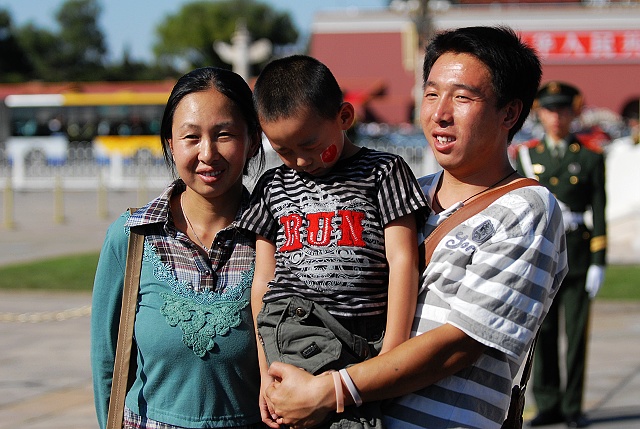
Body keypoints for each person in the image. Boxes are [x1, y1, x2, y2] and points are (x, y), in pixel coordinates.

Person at [259, 26, 568, 429]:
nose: (440, 113)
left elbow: (459, 343)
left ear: (509, 113)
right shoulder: (402, 193)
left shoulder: (526, 209)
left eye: (462, 97)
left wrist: (330, 391)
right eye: (432, 94)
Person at [237, 54, 429, 428]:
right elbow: (263, 281)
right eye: (283, 150)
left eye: (309, 144)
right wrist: (266, 372)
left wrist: (392, 353)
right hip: (295, 326)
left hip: (364, 337)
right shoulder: (272, 187)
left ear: (344, 117)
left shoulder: (383, 173)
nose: (299, 161)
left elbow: (403, 260)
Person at [90, 67, 265, 429]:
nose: (208, 153)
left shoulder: (274, 238)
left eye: (225, 135)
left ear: (252, 141)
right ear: (171, 143)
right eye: (191, 137)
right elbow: (107, 364)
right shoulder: (131, 237)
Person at [514, 82, 607, 428]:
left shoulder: (590, 157)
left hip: (579, 255)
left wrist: (599, 260)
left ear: (573, 113)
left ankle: (572, 407)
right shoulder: (528, 156)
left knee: (577, 335)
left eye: (564, 110)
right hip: (543, 255)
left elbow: (600, 209)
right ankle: (548, 402)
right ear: (540, 114)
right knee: (544, 333)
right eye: (550, 110)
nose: (557, 117)